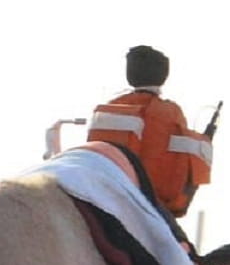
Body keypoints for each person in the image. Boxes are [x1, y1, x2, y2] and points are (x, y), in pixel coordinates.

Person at [86, 45, 214, 217]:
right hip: (149, 206)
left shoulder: (108, 108)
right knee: (176, 244)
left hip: (98, 196)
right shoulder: (170, 113)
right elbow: (178, 172)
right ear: (163, 76)